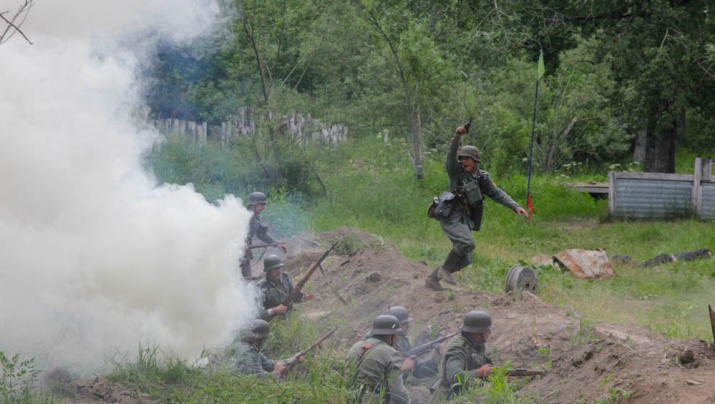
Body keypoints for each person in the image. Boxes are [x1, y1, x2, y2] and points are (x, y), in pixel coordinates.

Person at [425, 125, 529, 290]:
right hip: (450, 215)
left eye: (467, 158)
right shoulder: (455, 172)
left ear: (475, 161)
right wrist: (457, 137)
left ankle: (432, 279)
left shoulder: (482, 178)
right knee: (467, 242)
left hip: (465, 218)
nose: (463, 161)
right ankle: (444, 270)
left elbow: (498, 193)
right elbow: (451, 156)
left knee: (466, 259)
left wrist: (515, 206)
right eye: (462, 158)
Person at [346, 315, 411, 404]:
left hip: (346, 398)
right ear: (389, 336)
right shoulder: (391, 353)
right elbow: (398, 394)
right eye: (396, 334)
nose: (398, 337)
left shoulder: (356, 347)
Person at [430, 311, 494, 401]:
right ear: (476, 332)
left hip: (465, 396)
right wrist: (480, 372)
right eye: (487, 330)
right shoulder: (457, 348)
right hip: (448, 398)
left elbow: (483, 368)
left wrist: (497, 375)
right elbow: (455, 377)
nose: (490, 332)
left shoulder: (477, 344)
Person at [225, 318, 301, 378]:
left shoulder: (247, 347)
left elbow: (267, 364)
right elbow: (259, 378)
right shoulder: (248, 353)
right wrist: (277, 372)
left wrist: (293, 359)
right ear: (259, 339)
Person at [240, 191, 287, 279]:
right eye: (262, 205)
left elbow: (261, 234)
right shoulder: (243, 216)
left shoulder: (255, 216)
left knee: (246, 279)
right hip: (236, 253)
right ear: (255, 205)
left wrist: (276, 244)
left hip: (243, 253)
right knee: (242, 278)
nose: (264, 207)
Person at [387, 306, 439, 379]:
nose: (408, 327)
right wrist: (402, 368)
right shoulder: (382, 345)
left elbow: (418, 369)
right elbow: (379, 376)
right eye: (405, 324)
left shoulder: (403, 342)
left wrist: (434, 361)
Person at [259, 254, 315, 321]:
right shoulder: (261, 287)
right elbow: (259, 314)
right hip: (272, 323)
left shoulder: (286, 277)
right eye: (276, 269)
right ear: (269, 270)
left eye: (280, 268)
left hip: (288, 318)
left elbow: (292, 297)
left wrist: (303, 298)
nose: (279, 271)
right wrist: (274, 310)